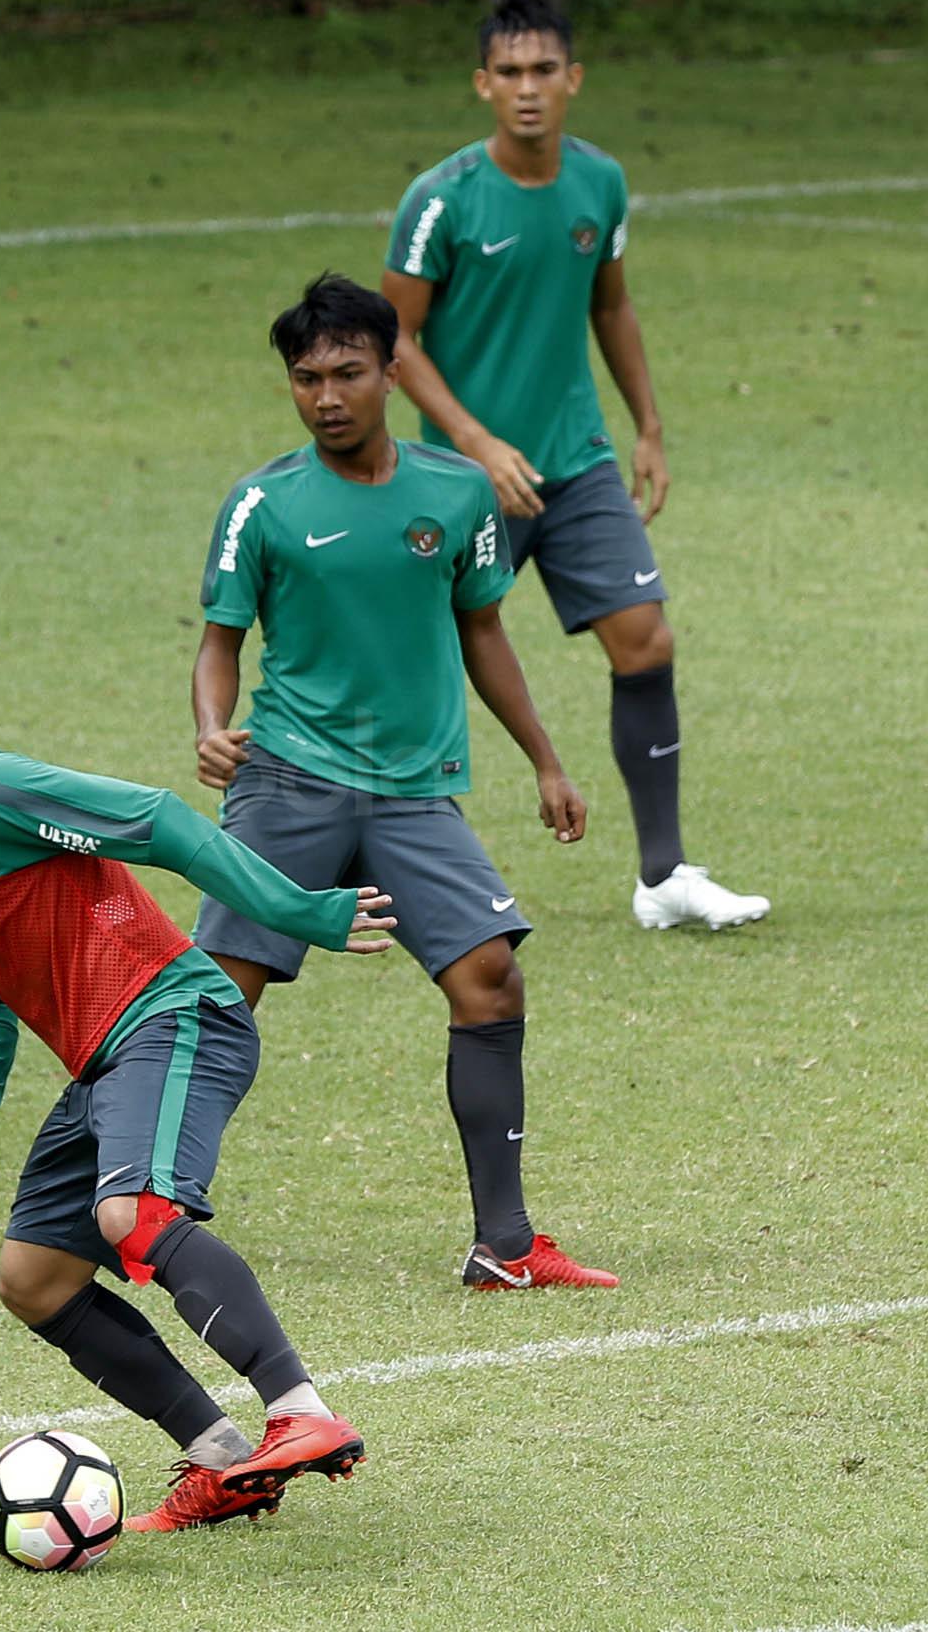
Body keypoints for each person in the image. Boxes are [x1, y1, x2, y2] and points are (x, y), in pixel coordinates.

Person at [0, 646, 382, 1529]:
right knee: (33, 1278)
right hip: (102, 1061)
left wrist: (299, 911)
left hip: (175, 1016)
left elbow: (158, 821)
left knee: (134, 1213)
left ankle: (303, 1413)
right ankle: (223, 1459)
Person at [191, 272, 616, 1292]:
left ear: (392, 371)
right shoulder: (262, 502)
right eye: (305, 378)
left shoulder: (458, 492)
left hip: (415, 790)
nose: (327, 395)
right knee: (215, 998)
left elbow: (485, 631)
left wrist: (546, 759)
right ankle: (131, 1205)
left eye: (347, 372)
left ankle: (504, 1245)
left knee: (489, 981)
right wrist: (211, 725)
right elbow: (219, 641)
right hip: (288, 779)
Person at [381, 0, 767, 933]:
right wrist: (473, 444)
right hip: (473, 481)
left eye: (543, 70)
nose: (527, 88)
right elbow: (391, 337)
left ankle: (664, 875)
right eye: (508, 72)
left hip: (579, 461)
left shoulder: (600, 183)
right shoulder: (441, 201)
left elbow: (611, 306)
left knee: (646, 640)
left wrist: (648, 425)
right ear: (482, 84)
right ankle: (369, 860)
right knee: (411, 663)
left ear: (573, 79)